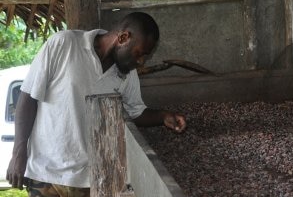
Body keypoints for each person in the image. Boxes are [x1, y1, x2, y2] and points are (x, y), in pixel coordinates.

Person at [6, 12, 187, 197]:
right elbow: (28, 98)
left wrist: (163, 116)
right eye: (139, 53)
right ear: (123, 37)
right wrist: (18, 154)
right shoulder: (64, 44)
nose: (140, 61)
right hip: (45, 173)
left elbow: (135, 112)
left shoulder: (127, 74)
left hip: (89, 180)